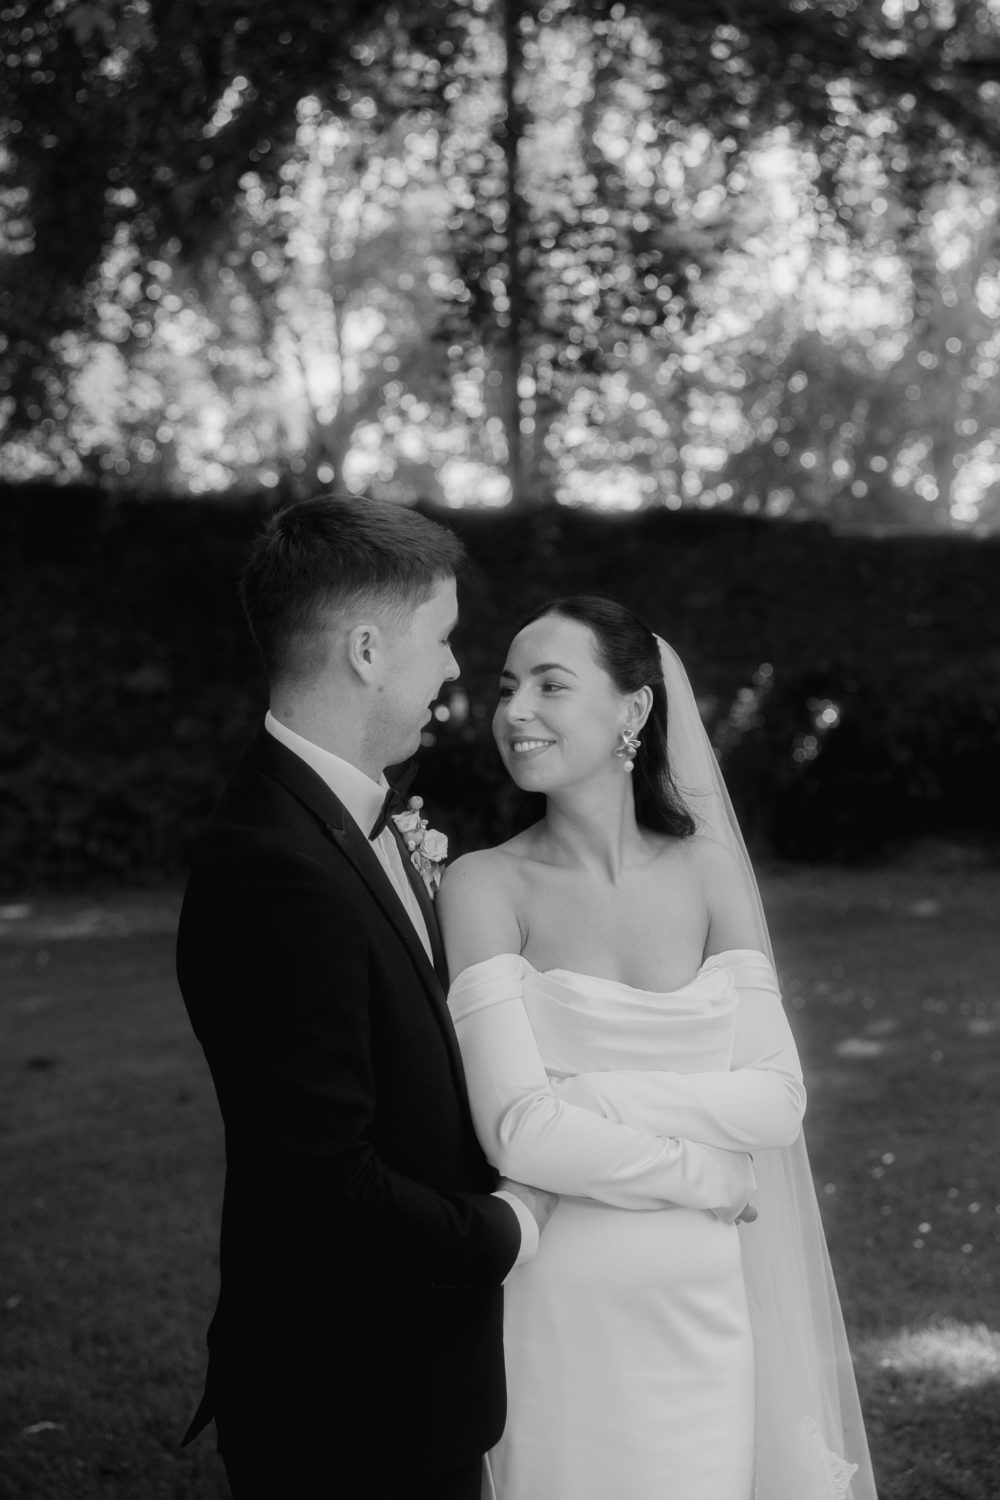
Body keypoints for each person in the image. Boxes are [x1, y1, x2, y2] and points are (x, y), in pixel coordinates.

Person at [438, 595, 879, 1500]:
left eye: (551, 686)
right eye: (508, 688)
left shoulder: (709, 873)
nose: (515, 712)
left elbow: (779, 1099)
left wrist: (594, 1097)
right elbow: (519, 1131)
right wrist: (710, 1176)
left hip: (705, 1307)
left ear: (633, 709)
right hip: (560, 1304)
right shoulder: (483, 885)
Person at [176, 494, 548, 1500]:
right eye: (442, 638)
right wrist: (508, 1227)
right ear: (369, 651)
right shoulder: (275, 869)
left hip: (409, 1390)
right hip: (353, 1411)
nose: (455, 669)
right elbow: (323, 1187)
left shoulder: (330, 821)